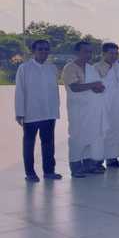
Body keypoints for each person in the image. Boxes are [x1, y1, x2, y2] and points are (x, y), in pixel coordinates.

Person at [15, 39, 61, 182]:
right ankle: (30, 173)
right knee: (29, 144)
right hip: (31, 113)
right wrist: (19, 112)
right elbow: (20, 91)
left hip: (48, 113)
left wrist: (55, 110)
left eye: (46, 49)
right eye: (40, 49)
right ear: (33, 51)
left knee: (48, 143)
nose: (44, 52)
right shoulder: (24, 68)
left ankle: (49, 171)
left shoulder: (52, 68)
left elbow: (54, 91)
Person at [63, 41, 107, 178]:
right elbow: (74, 87)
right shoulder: (70, 68)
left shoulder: (91, 68)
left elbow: (100, 86)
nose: (88, 54)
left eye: (90, 52)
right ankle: (75, 166)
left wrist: (99, 87)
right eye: (85, 51)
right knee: (77, 137)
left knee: (91, 135)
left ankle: (89, 165)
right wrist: (94, 85)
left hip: (92, 109)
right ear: (77, 52)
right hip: (78, 110)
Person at [94, 42, 119, 168]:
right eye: (111, 53)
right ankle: (98, 160)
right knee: (103, 132)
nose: (114, 56)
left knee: (118, 131)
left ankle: (112, 158)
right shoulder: (97, 68)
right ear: (103, 54)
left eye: (116, 53)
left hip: (118, 105)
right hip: (104, 105)